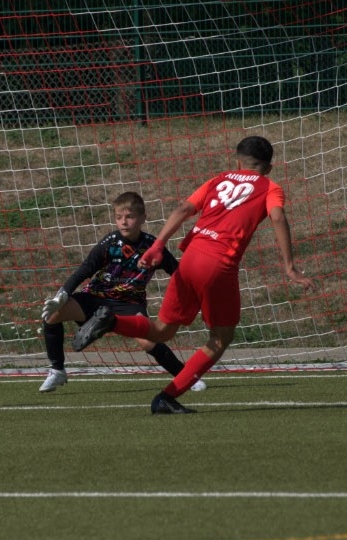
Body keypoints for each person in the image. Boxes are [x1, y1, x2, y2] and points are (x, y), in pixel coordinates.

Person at [72, 136, 315, 414]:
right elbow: (278, 217)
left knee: (162, 331)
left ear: (238, 161)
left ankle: (111, 321)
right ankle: (167, 397)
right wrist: (290, 267)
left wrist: (158, 245)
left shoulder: (217, 179)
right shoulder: (270, 187)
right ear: (269, 167)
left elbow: (184, 209)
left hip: (189, 259)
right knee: (220, 339)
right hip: (218, 265)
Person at [39, 190, 206, 393]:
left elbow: (178, 273)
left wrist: (198, 297)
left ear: (143, 218)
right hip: (96, 298)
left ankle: (185, 377)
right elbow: (84, 270)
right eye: (119, 217)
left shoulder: (152, 246)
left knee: (148, 342)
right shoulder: (109, 244)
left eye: (129, 217)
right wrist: (63, 294)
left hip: (130, 303)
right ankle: (57, 370)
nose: (124, 222)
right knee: (53, 314)